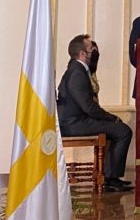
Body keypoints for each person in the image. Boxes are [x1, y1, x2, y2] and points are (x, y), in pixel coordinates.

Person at [57, 35, 133, 192]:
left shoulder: (76, 69)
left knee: (117, 129)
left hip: (76, 121)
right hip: (74, 124)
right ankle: (111, 179)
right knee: (123, 131)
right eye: (92, 49)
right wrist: (112, 117)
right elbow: (89, 107)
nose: (95, 52)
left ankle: (110, 176)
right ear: (83, 54)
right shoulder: (77, 72)